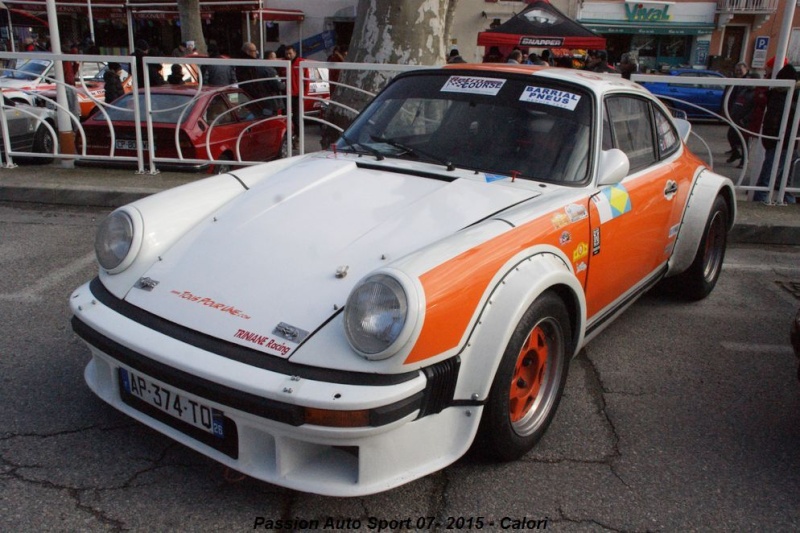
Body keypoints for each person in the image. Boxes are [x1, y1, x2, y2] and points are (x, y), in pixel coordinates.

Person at [754, 62, 799, 204]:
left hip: (782, 140)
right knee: (777, 174)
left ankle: (779, 199)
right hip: (783, 140)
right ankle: (766, 200)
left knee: (780, 174)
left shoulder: (778, 96)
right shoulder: (784, 98)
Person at [724, 62, 756, 167]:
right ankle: (735, 153)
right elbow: (734, 101)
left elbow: (754, 108)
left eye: (740, 70)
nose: (738, 72)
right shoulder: (739, 85)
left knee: (744, 141)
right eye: (736, 70)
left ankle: (744, 161)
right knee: (731, 135)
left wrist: (746, 118)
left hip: (744, 120)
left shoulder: (751, 90)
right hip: (735, 117)